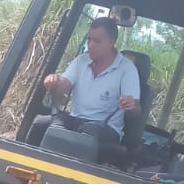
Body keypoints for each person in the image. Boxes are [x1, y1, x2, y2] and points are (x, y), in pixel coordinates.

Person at [27, 17, 140, 149]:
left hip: (106, 128)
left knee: (86, 132)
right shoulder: (81, 61)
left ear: (111, 42)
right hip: (75, 121)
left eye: (97, 41)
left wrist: (131, 105)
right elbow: (63, 85)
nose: (90, 45)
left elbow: (136, 110)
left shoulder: (127, 69)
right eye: (89, 39)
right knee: (40, 123)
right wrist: (54, 81)